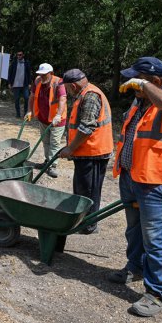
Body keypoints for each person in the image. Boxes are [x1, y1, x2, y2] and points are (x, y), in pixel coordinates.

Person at [109, 56, 162, 317]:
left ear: (156, 81)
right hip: (132, 178)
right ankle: (134, 267)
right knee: (134, 230)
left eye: (139, 80)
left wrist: (145, 87)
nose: (133, 85)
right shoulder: (140, 103)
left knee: (154, 238)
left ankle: (158, 293)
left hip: (155, 184)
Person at [58, 69, 113, 235]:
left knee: (89, 190)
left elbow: (86, 127)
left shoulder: (90, 96)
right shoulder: (84, 93)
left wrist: (70, 148)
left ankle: (89, 225)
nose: (66, 91)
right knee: (82, 188)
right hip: (86, 152)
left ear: (73, 86)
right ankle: (83, 221)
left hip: (94, 152)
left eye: (67, 88)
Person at [26, 63, 67, 178]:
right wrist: (29, 111)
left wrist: (58, 115)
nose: (42, 77)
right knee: (45, 141)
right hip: (43, 118)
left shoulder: (59, 83)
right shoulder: (38, 81)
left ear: (51, 73)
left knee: (54, 143)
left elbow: (62, 100)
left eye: (44, 75)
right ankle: (47, 161)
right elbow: (32, 96)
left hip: (57, 120)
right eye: (40, 74)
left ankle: (52, 165)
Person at [7, 51, 32, 118]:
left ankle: (25, 113)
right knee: (16, 99)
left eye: (20, 55)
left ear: (23, 55)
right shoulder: (14, 63)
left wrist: (30, 83)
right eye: (17, 55)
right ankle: (18, 114)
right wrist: (9, 83)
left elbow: (29, 73)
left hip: (25, 84)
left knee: (26, 98)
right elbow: (10, 73)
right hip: (15, 84)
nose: (19, 56)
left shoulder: (26, 63)